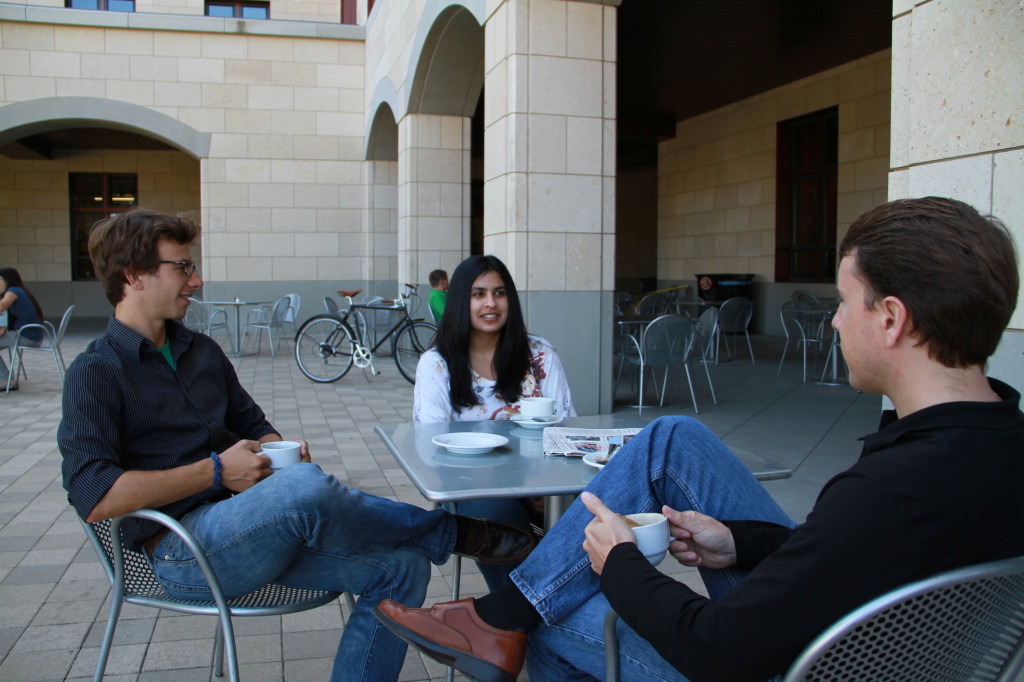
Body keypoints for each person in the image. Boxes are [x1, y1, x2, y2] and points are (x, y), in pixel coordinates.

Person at [373, 196, 1024, 682]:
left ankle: (502, 617)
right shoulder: (989, 448)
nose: (830, 320)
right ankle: (504, 613)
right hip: (868, 645)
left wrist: (620, 561)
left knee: (550, 620)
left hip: (793, 666)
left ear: (889, 319)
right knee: (669, 438)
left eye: (845, 300)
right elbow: (848, 556)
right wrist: (737, 539)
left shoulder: (889, 489)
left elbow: (717, 648)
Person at [57, 208, 537, 682]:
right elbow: (93, 495)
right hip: (183, 553)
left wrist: (275, 448)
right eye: (182, 267)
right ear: (134, 276)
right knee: (304, 488)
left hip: (259, 528)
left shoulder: (199, 350)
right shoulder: (97, 372)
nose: (196, 280)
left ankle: (441, 540)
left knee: (403, 567)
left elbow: (253, 422)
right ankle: (452, 534)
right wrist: (216, 471)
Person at [414, 254, 576, 590]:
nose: (491, 303)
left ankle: (556, 609)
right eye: (479, 294)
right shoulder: (438, 364)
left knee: (591, 512)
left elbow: (567, 430)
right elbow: (430, 449)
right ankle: (527, 616)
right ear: (461, 300)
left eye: (500, 293)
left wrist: (549, 486)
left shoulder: (540, 354)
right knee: (503, 519)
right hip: (473, 490)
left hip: (544, 487)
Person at [0, 266, 46, 390]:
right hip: (29, 335)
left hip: (26, 336)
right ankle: (5, 379)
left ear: (6, 280)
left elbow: (1, 307)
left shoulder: (13, 291)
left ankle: (6, 380)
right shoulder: (19, 290)